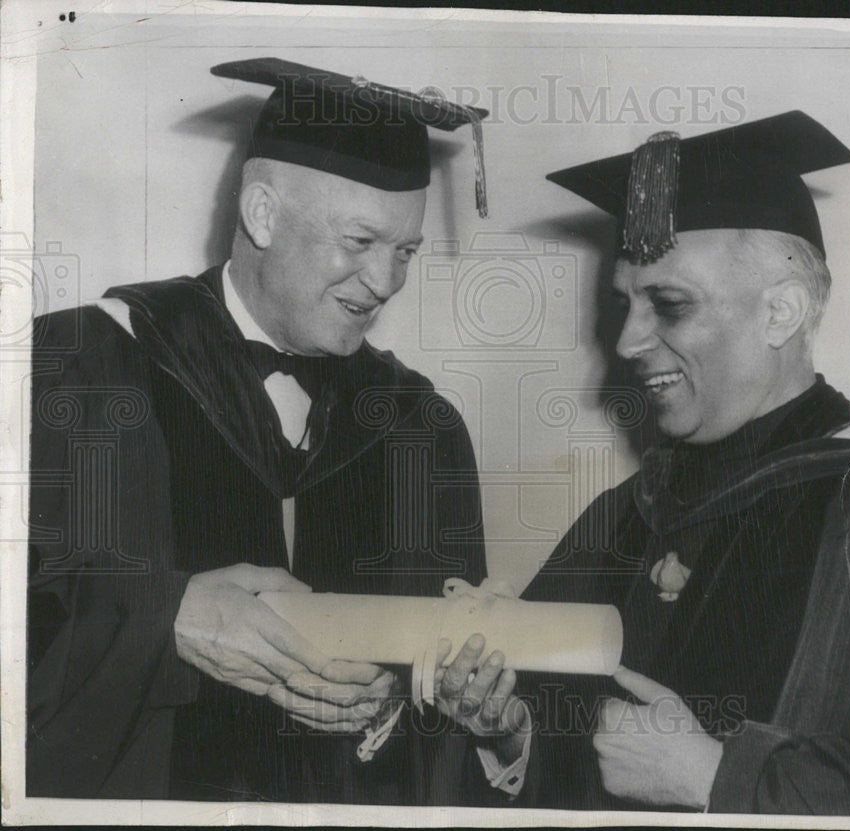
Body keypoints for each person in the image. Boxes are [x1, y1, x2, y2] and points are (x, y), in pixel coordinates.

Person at [27, 57, 528, 804]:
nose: (386, 283)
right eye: (360, 241)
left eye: (405, 252)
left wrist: (466, 721)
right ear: (262, 214)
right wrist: (165, 616)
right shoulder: (87, 371)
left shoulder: (422, 430)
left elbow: (443, 726)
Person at [519, 111, 850, 816]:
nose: (628, 340)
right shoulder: (619, 517)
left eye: (669, 305)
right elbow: (537, 732)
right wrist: (502, 731)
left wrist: (715, 776)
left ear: (781, 312)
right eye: (625, 303)